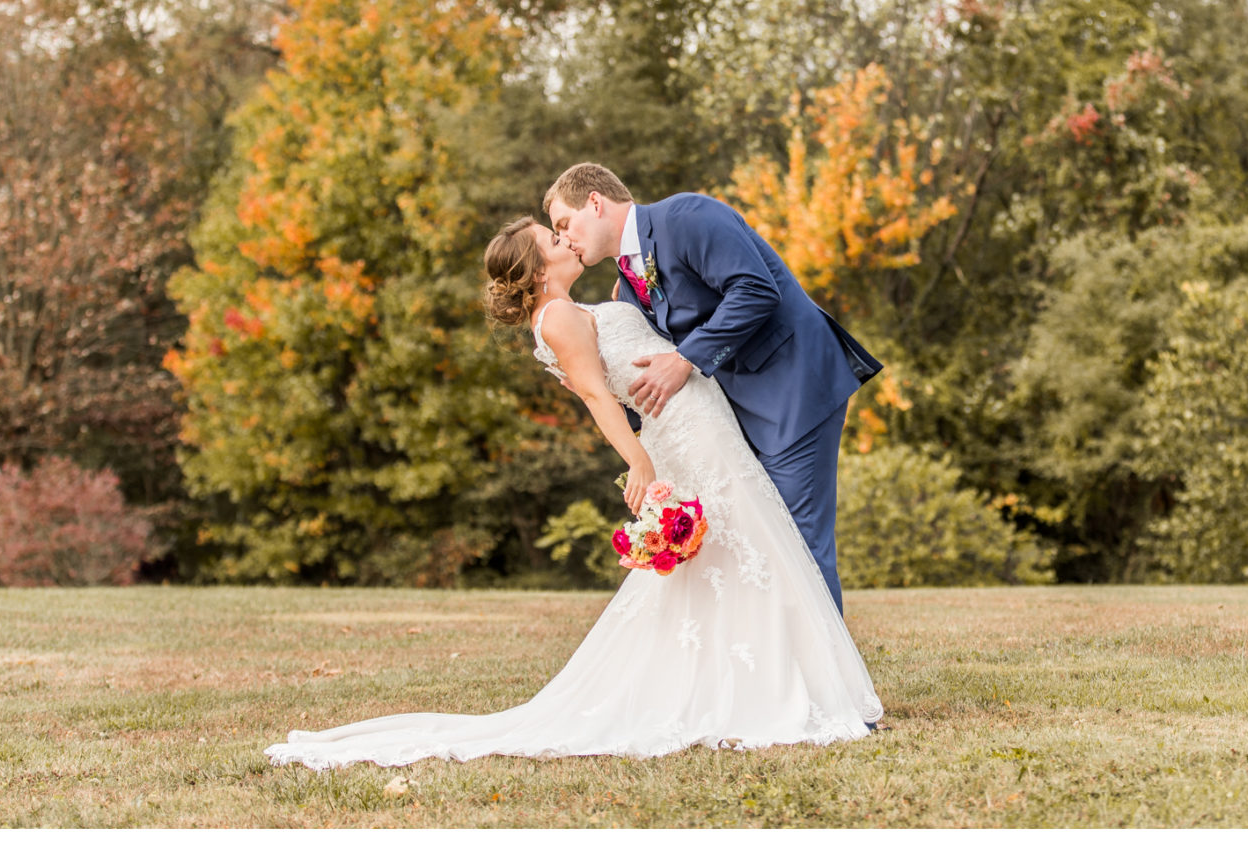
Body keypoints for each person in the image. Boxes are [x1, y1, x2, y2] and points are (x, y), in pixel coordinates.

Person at [263, 216, 882, 770]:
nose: (563, 240)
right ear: (535, 268)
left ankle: (770, 680)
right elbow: (594, 395)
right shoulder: (557, 317)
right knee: (742, 551)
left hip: (699, 423)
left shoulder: (580, 305)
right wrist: (639, 462)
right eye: (549, 238)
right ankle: (770, 688)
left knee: (745, 553)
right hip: (681, 435)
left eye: (560, 229)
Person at [544, 163, 881, 614]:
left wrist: (685, 359)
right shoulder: (626, 288)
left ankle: (828, 683)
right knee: (764, 542)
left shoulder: (686, 216)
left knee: (798, 542)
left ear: (595, 202)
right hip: (735, 416)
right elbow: (652, 373)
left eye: (565, 224)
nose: (564, 239)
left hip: (793, 388)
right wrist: (597, 388)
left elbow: (756, 289)